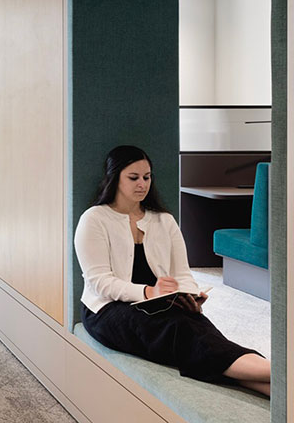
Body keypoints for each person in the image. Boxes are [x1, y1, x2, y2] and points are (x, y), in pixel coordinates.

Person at [75, 145, 270, 395]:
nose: (142, 184)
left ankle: (274, 385)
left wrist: (190, 297)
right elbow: (99, 282)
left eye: (147, 177)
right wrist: (147, 292)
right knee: (181, 331)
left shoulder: (163, 220)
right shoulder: (94, 219)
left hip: (162, 304)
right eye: (133, 178)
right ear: (114, 178)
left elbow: (182, 274)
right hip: (108, 309)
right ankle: (275, 372)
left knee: (200, 328)